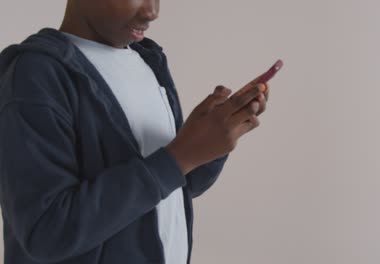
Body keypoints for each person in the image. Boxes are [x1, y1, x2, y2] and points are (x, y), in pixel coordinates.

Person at [0, 0, 270, 263]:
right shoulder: (34, 76)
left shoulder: (148, 62)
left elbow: (176, 188)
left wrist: (213, 140)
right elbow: (46, 233)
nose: (151, 12)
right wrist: (179, 156)